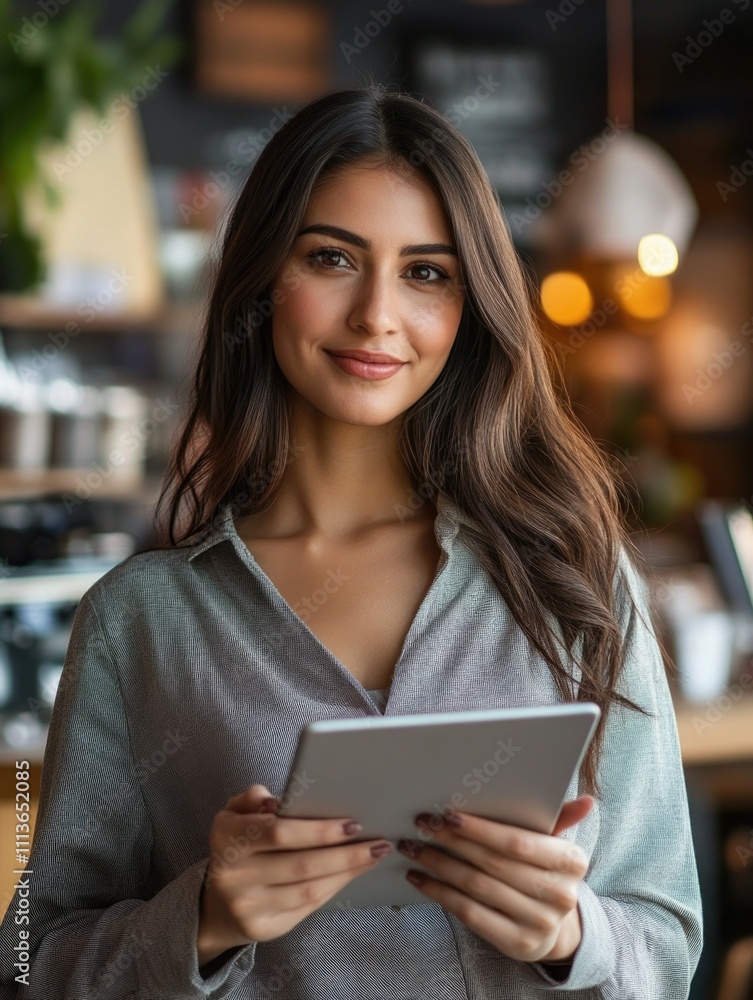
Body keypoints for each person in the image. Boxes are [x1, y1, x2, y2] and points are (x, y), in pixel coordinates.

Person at [0, 84, 702, 999]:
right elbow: (27, 964)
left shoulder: (572, 579)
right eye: (331, 258)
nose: (377, 314)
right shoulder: (140, 622)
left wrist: (577, 937)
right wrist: (204, 918)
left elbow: (668, 943)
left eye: (426, 272)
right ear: (261, 278)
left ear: (469, 304)